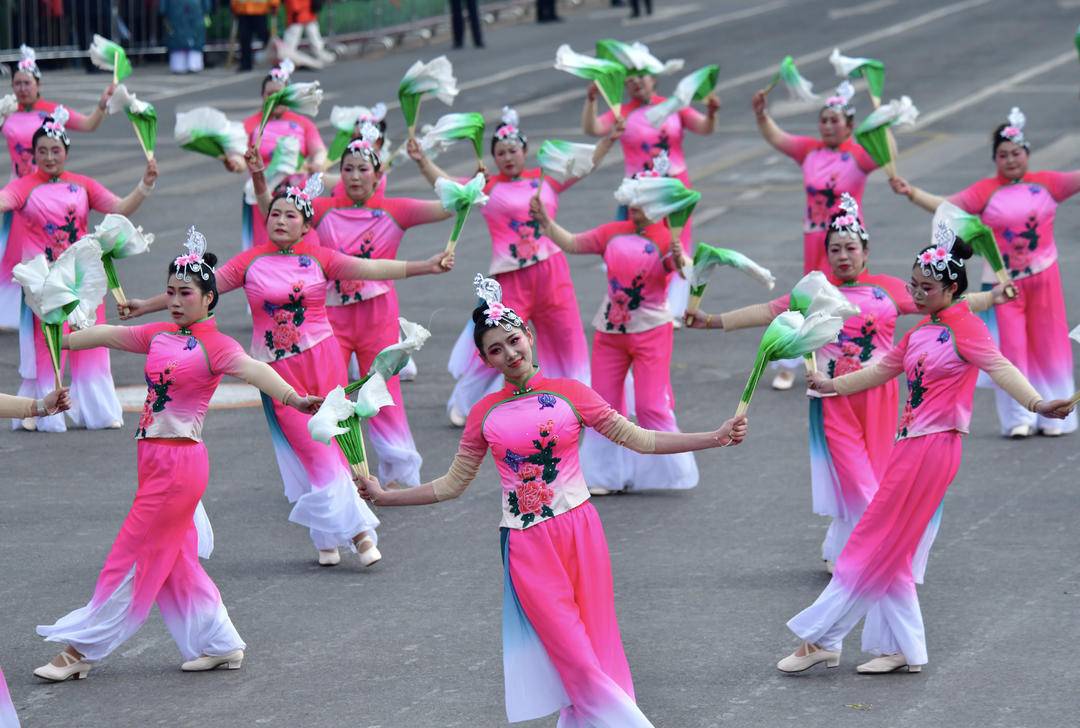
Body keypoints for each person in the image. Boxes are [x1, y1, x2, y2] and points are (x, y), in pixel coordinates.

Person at [353, 274, 748, 726]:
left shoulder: (572, 394)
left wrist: (714, 438)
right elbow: (450, 485)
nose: (510, 354)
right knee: (572, 653)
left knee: (597, 643)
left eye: (513, 340)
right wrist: (386, 497)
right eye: (495, 350)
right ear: (484, 360)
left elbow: (641, 440)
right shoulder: (484, 413)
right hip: (525, 545)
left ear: (530, 337)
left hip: (580, 533)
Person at [777, 229, 1072, 676]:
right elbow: (881, 370)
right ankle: (900, 647)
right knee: (890, 547)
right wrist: (831, 385)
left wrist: (1038, 403)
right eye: (913, 284)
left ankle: (823, 638)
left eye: (926, 287)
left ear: (953, 288)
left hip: (934, 448)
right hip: (910, 446)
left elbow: (1001, 367)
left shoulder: (965, 329)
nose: (915, 293)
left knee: (866, 540)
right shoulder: (922, 329)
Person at [121, 170, 453, 566]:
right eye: (274, 213)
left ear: (307, 223)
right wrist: (144, 306)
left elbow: (373, 269)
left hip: (323, 361)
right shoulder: (249, 262)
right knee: (312, 450)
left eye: (290, 215)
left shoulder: (320, 258)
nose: (279, 220)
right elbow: (197, 285)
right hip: (277, 373)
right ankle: (361, 533)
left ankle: (327, 536)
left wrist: (426, 265)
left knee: (334, 445)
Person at [34, 230, 324, 682]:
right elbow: (110, 334)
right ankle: (220, 642)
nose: (174, 300)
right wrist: (57, 335)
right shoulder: (160, 334)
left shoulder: (217, 346)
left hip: (179, 465)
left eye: (184, 293)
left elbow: (256, 369)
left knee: (130, 556)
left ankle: (81, 649)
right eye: (169, 291)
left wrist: (295, 397)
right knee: (176, 564)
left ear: (209, 299)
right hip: (152, 461)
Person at [687, 195, 1004, 571]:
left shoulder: (887, 289)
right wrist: (710, 320)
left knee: (877, 477)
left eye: (850, 247)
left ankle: (841, 549)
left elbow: (950, 303)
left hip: (882, 397)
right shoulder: (815, 291)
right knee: (857, 482)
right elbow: (766, 311)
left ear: (866, 250)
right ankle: (868, 556)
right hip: (831, 398)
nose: (843, 255)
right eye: (835, 249)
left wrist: (994, 296)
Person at [409, 107, 619, 426]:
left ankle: (578, 402)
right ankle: (466, 403)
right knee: (498, 340)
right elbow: (448, 185)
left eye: (513, 150)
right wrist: (423, 161)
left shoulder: (546, 178)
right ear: (494, 157)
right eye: (501, 152)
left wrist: (609, 139)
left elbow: (585, 164)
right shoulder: (487, 186)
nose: (508, 157)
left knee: (568, 340)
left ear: (524, 151)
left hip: (552, 273)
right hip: (510, 278)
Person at [890, 107, 1080, 438]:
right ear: (995, 158)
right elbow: (946, 207)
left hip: (1044, 278)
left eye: (1016, 153)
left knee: (1051, 346)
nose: (1010, 160)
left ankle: (1053, 414)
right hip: (1004, 284)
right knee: (1010, 349)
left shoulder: (1050, 183)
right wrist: (912, 193)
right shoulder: (985, 190)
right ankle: (1018, 417)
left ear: (1027, 154)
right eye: (1003, 154)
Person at [530, 176, 698, 494]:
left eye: (643, 206)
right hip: (610, 332)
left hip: (652, 331)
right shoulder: (611, 233)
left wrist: (680, 259)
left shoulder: (666, 239)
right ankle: (604, 476)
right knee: (603, 407)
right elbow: (573, 243)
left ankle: (668, 474)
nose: (635, 211)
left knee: (650, 406)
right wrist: (546, 222)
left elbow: (688, 271)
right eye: (632, 205)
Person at [306, 127, 454, 486]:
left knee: (383, 390)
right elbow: (275, 212)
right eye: (348, 169)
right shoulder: (320, 210)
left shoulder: (395, 210)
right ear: (337, 175)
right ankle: (336, 473)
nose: (355, 176)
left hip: (378, 314)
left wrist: (423, 162)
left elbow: (455, 202)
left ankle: (400, 470)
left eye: (363, 169)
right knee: (331, 392)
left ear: (377, 175)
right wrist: (261, 180)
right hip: (332, 315)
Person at [0, 111, 157, 433]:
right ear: (33, 154)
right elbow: (3, 200)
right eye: (41, 151)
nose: (48, 157)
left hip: (82, 279)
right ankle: (42, 411)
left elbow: (119, 207)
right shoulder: (23, 187)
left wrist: (145, 185)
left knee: (90, 344)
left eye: (55, 150)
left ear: (66, 152)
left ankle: (98, 411)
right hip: (44, 281)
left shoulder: (82, 185)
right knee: (48, 346)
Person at [750, 80, 878, 391]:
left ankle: (848, 362)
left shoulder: (858, 156)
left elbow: (884, 154)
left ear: (849, 125)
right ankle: (790, 363)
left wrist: (883, 121)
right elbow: (777, 138)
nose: (828, 126)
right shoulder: (810, 152)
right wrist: (762, 115)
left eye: (835, 120)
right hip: (815, 239)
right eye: (824, 120)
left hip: (846, 242)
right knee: (808, 299)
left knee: (844, 300)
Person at [580, 41, 719, 320]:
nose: (636, 85)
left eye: (640, 78)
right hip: (638, 194)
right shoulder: (623, 112)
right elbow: (593, 128)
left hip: (673, 191)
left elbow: (704, 128)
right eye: (629, 81)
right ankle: (638, 301)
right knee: (637, 246)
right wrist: (592, 100)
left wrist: (713, 112)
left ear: (653, 79)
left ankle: (674, 307)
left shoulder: (674, 106)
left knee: (676, 246)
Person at [0, 45, 115, 329]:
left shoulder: (52, 113)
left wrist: (101, 106)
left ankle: (56, 309)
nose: (23, 88)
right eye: (17, 83)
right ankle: (10, 313)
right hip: (20, 191)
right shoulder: (6, 114)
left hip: (49, 193)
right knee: (10, 257)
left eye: (28, 82)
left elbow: (88, 124)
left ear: (38, 84)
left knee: (44, 252)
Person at [238, 60, 327, 250]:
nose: (275, 98)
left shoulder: (303, 124)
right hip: (264, 195)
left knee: (304, 248)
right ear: (262, 96)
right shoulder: (250, 125)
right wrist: (235, 162)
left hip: (299, 196)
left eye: (281, 94)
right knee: (266, 249)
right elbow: (237, 154)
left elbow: (319, 150)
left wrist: (318, 163)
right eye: (270, 94)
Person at [161, 0, 212, 74]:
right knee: (194, 36)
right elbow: (206, 5)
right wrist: (206, 9)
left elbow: (163, 7)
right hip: (195, 7)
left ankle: (179, 65)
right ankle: (193, 64)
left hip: (175, 8)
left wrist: (163, 10)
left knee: (177, 35)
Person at [280, 0, 336, 69]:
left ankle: (287, 60)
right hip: (303, 13)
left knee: (312, 37)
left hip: (303, 13)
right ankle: (286, 59)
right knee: (295, 39)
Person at [231, 0, 279, 73]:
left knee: (265, 36)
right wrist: (234, 6)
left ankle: (276, 60)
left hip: (259, 10)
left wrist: (274, 3)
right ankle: (245, 64)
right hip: (244, 10)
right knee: (244, 38)